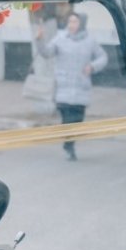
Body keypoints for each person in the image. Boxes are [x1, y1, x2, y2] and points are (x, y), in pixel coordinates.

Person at [36, 11, 107, 161]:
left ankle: (69, 143)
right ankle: (69, 146)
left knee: (77, 121)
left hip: (81, 88)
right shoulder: (60, 38)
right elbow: (46, 53)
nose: (71, 25)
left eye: (75, 22)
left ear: (81, 24)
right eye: (70, 22)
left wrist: (92, 66)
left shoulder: (90, 41)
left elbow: (103, 57)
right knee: (67, 120)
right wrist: (40, 40)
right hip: (63, 88)